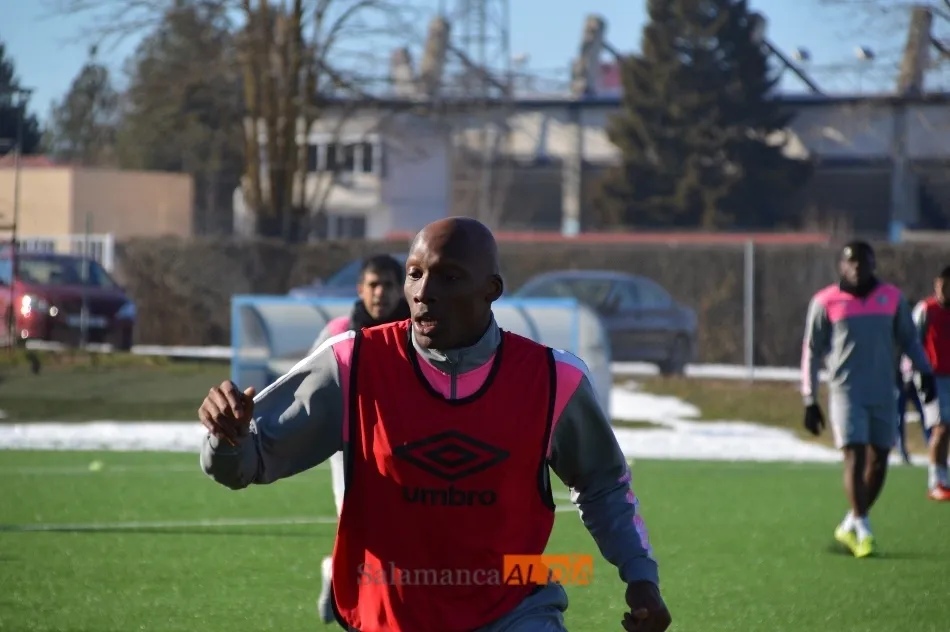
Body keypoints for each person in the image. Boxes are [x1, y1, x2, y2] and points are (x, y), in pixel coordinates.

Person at [198, 217, 671, 632]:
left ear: (491, 290)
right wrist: (228, 440)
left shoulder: (553, 380)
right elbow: (246, 464)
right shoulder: (350, 364)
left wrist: (640, 575)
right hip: (389, 614)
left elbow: (604, 484)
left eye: (449, 276)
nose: (423, 292)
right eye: (415, 274)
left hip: (515, 609)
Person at [800, 240, 935, 559]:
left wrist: (925, 372)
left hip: (883, 391)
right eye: (851, 261)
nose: (857, 266)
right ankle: (863, 527)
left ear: (873, 264)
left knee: (879, 460)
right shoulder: (825, 302)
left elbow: (909, 340)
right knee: (855, 455)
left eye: (863, 261)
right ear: (842, 267)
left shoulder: (892, 299)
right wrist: (809, 397)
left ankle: (851, 522)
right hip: (846, 392)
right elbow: (812, 350)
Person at [308, 254, 411, 624]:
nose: (380, 292)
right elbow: (311, 381)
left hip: (407, 446)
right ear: (360, 289)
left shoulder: (419, 330)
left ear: (402, 289)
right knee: (359, 528)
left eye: (387, 284)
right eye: (373, 284)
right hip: (350, 446)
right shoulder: (339, 332)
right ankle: (349, 592)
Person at [912, 266, 950, 501]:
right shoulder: (926, 309)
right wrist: (916, 373)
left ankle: (944, 479)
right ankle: (935, 481)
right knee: (941, 427)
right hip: (931, 377)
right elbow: (911, 342)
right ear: (937, 284)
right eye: (943, 284)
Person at [896, 354, 927, 465]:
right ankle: (902, 451)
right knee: (899, 419)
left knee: (925, 416)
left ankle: (929, 445)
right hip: (900, 382)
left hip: (914, 381)